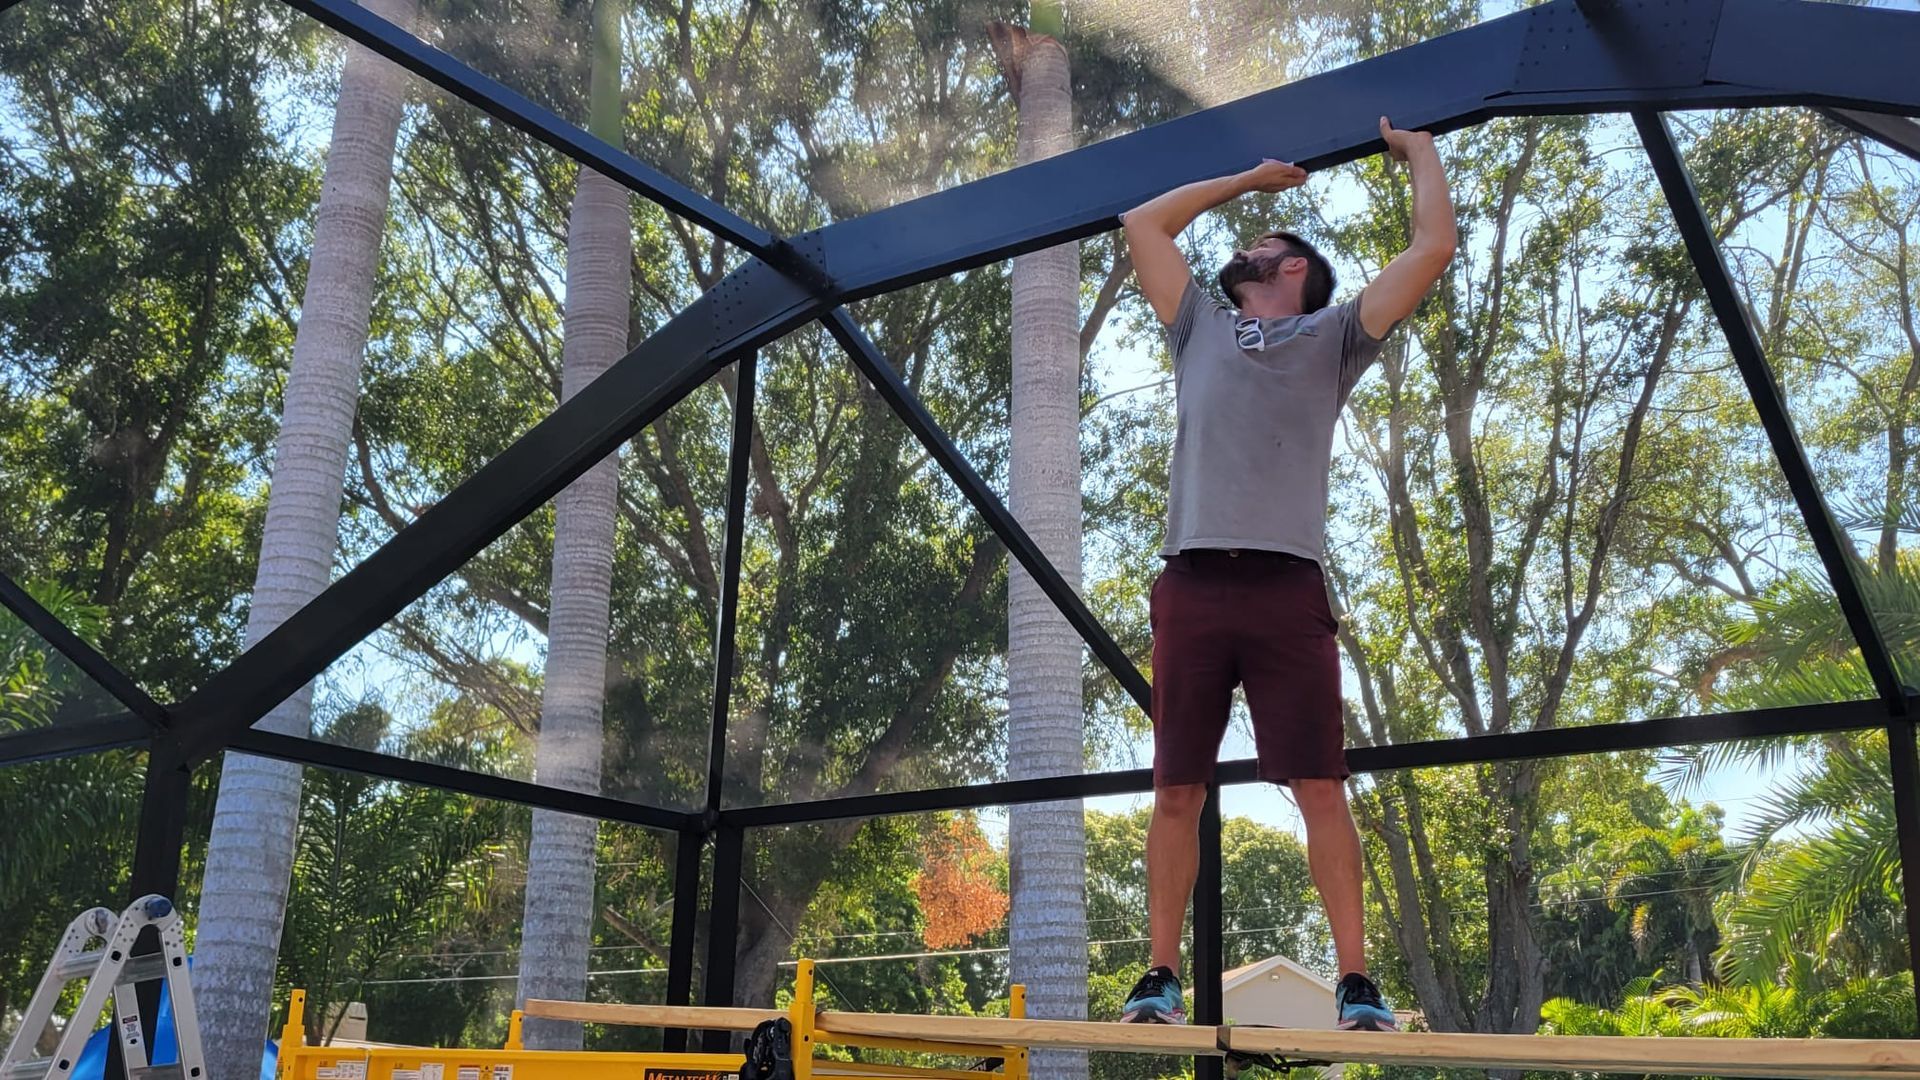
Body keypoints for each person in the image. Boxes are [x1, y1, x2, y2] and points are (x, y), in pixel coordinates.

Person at [1114, 117, 1456, 1032]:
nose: (1245, 249)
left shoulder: (1335, 337)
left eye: (1264, 245)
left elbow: (1433, 246)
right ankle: (1158, 976)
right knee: (1176, 788)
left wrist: (1416, 148)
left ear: (1295, 268)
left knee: (1318, 786)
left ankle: (1356, 984)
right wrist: (1246, 181)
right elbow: (1142, 225)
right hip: (1189, 582)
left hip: (1287, 587)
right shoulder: (1199, 327)